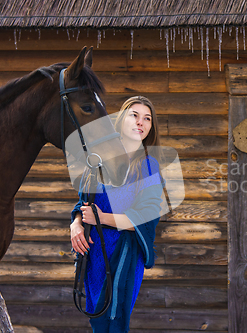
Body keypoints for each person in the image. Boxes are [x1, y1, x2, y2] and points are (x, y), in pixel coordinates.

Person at [70, 96, 163, 333]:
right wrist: (77, 224)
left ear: (151, 127)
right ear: (121, 119)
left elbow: (146, 217)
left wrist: (103, 219)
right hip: (94, 255)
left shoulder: (148, 165)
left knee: (114, 323)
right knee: (97, 322)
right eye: (134, 115)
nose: (140, 122)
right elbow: (83, 203)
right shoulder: (98, 161)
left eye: (147, 118)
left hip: (124, 255)